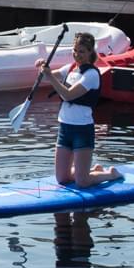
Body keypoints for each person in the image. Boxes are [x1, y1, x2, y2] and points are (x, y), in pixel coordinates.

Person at [36, 32, 122, 188]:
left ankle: (111, 174)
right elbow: (45, 76)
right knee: (62, 179)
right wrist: (42, 68)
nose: (77, 55)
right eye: (75, 50)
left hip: (82, 130)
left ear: (90, 52)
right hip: (64, 128)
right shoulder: (70, 69)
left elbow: (68, 95)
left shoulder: (91, 75)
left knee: (82, 182)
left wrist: (50, 76)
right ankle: (91, 170)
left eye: (81, 51)